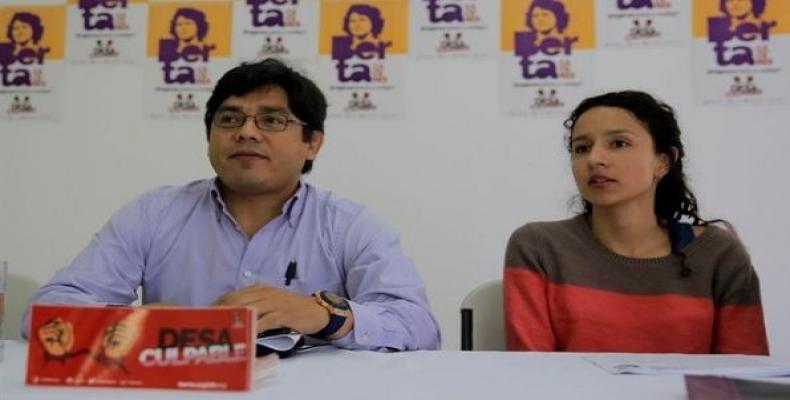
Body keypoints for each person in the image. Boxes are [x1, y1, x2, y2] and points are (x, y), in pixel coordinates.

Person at [22, 58, 441, 351]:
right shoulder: (155, 213)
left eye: (272, 120)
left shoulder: (350, 224)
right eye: (229, 119)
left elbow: (419, 328)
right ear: (209, 136)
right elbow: (44, 313)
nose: (246, 132)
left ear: (312, 143)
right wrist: (136, 323)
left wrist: (321, 315)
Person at [503, 90, 768, 354]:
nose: (595, 159)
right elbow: (532, 374)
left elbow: (745, 377)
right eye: (581, 148)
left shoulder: (719, 253)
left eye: (619, 143)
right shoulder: (537, 247)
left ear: (662, 162)